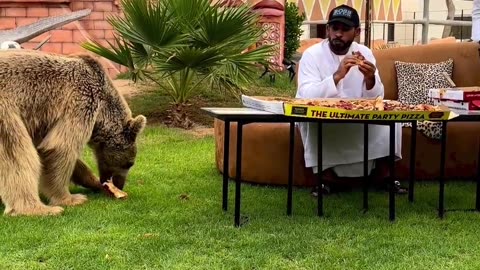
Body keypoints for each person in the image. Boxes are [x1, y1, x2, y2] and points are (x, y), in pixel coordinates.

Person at [296, 4, 406, 195]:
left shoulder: (365, 53)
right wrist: (336, 76)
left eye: (345, 29)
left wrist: (371, 79)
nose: (338, 34)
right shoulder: (312, 55)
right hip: (324, 115)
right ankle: (325, 179)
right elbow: (305, 95)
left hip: (358, 114)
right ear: (328, 29)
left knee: (392, 119)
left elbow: (376, 97)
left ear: (356, 32)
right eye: (334, 28)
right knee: (313, 122)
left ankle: (384, 175)